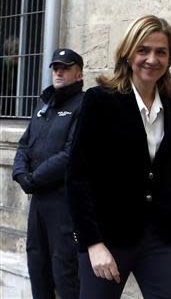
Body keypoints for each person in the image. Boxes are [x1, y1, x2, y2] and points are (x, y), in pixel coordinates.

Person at [66, 15, 171, 298]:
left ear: (170, 58)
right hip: (108, 237)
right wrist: (92, 244)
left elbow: (170, 173)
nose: (151, 59)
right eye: (143, 50)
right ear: (128, 52)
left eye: (161, 52)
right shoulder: (99, 101)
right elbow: (77, 177)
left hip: (162, 237)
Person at [12, 48, 84, 299]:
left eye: (65, 67)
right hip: (38, 201)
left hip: (63, 202)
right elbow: (24, 143)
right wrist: (20, 174)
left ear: (79, 72)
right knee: (37, 264)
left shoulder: (83, 105)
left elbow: (70, 154)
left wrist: (33, 178)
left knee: (64, 270)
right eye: (55, 67)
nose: (59, 72)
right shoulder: (44, 102)